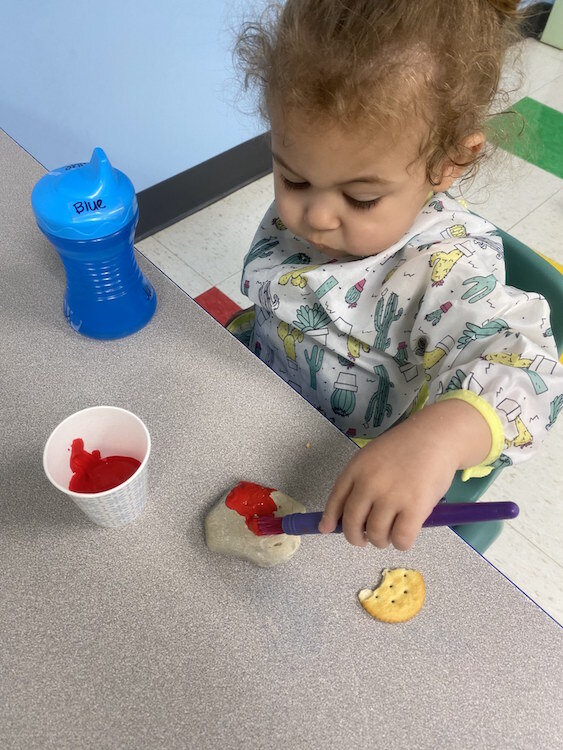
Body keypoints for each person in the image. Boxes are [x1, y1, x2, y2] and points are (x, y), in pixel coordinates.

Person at [233, 0, 563, 551]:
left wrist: (438, 441)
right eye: (291, 178)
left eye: (360, 198)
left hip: (347, 476)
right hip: (254, 395)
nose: (315, 216)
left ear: (449, 163)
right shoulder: (326, 193)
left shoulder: (445, 268)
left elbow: (532, 369)